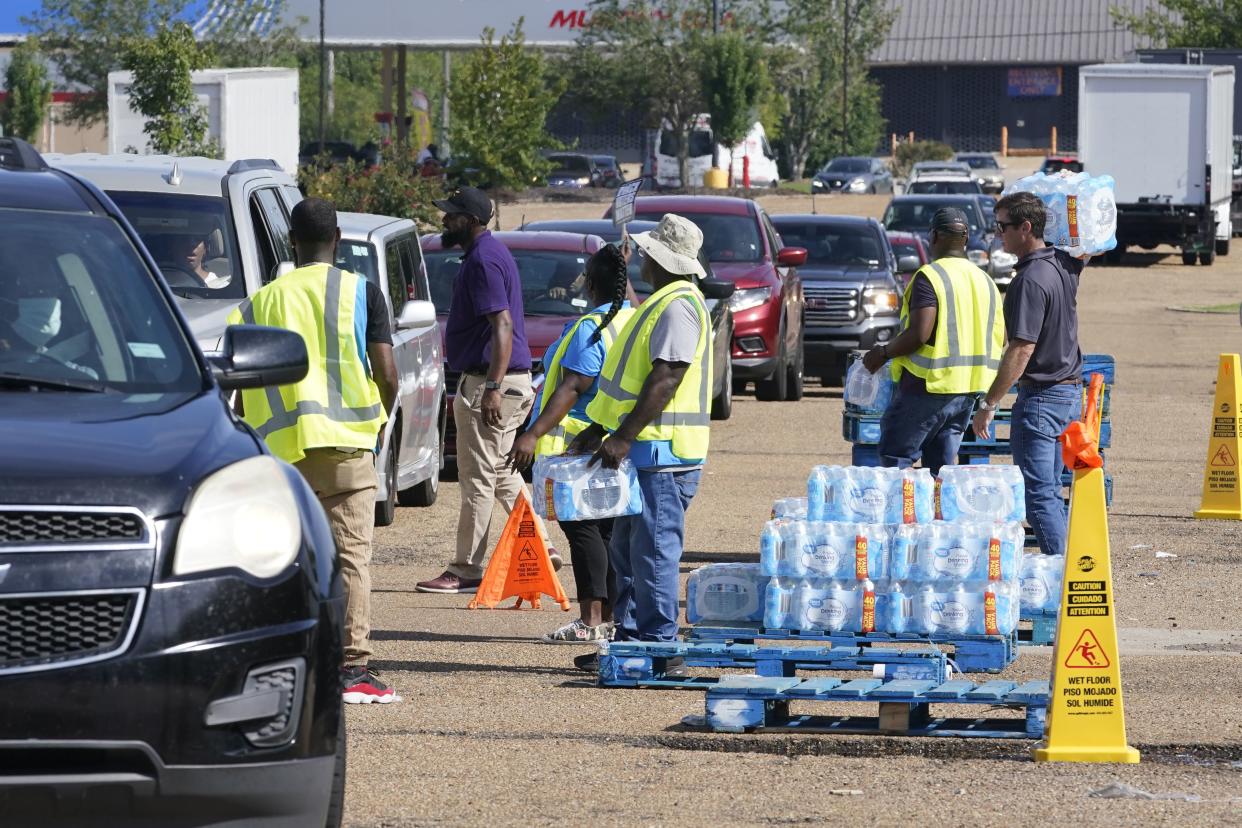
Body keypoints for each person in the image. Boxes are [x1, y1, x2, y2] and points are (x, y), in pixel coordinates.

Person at [226, 198, 400, 705]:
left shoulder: (259, 302)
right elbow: (387, 373)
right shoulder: (362, 293)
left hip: (281, 455)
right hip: (347, 450)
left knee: (282, 558)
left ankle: (282, 660)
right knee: (352, 558)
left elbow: (236, 388)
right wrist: (378, 421)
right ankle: (352, 668)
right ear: (339, 240)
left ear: (290, 243)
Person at [569, 214, 713, 673]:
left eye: (648, 253)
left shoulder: (677, 306)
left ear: (660, 258)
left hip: (662, 453)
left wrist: (624, 436)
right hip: (645, 453)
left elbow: (666, 377)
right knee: (628, 552)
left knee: (652, 553)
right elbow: (629, 381)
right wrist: (601, 427)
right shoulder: (663, 301)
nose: (642, 260)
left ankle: (658, 646)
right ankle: (631, 642)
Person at [416, 187, 559, 595]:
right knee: (498, 472)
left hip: (491, 383)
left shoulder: (483, 260)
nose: (445, 220)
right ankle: (542, 545)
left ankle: (465, 570)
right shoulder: (490, 254)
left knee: (477, 478)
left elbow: (502, 326)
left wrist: (493, 387)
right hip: (497, 380)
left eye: (452, 214)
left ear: (472, 220)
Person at [508, 244, 634, 644]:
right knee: (608, 531)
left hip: (580, 442)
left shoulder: (590, 328)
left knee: (583, 530)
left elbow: (571, 386)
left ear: (591, 284)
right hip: (618, 439)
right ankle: (609, 616)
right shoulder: (630, 320)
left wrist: (532, 433)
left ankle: (590, 620)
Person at [973, 191, 1084, 556]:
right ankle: (1067, 568)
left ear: (1025, 227)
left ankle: (1062, 578)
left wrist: (990, 403)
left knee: (1038, 496)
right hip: (1067, 396)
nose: (998, 234)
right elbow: (1087, 247)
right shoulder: (1063, 264)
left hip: (1041, 399)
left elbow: (1021, 349)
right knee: (1049, 490)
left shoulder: (1029, 281)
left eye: (1003, 226)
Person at [862, 207, 1005, 475]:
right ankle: (936, 516)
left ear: (934, 236)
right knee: (941, 471)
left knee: (897, 460)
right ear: (965, 239)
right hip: (967, 391)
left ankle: (902, 516)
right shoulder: (986, 281)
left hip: (928, 386)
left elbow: (919, 335)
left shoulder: (930, 276)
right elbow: (1002, 337)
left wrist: (881, 353)